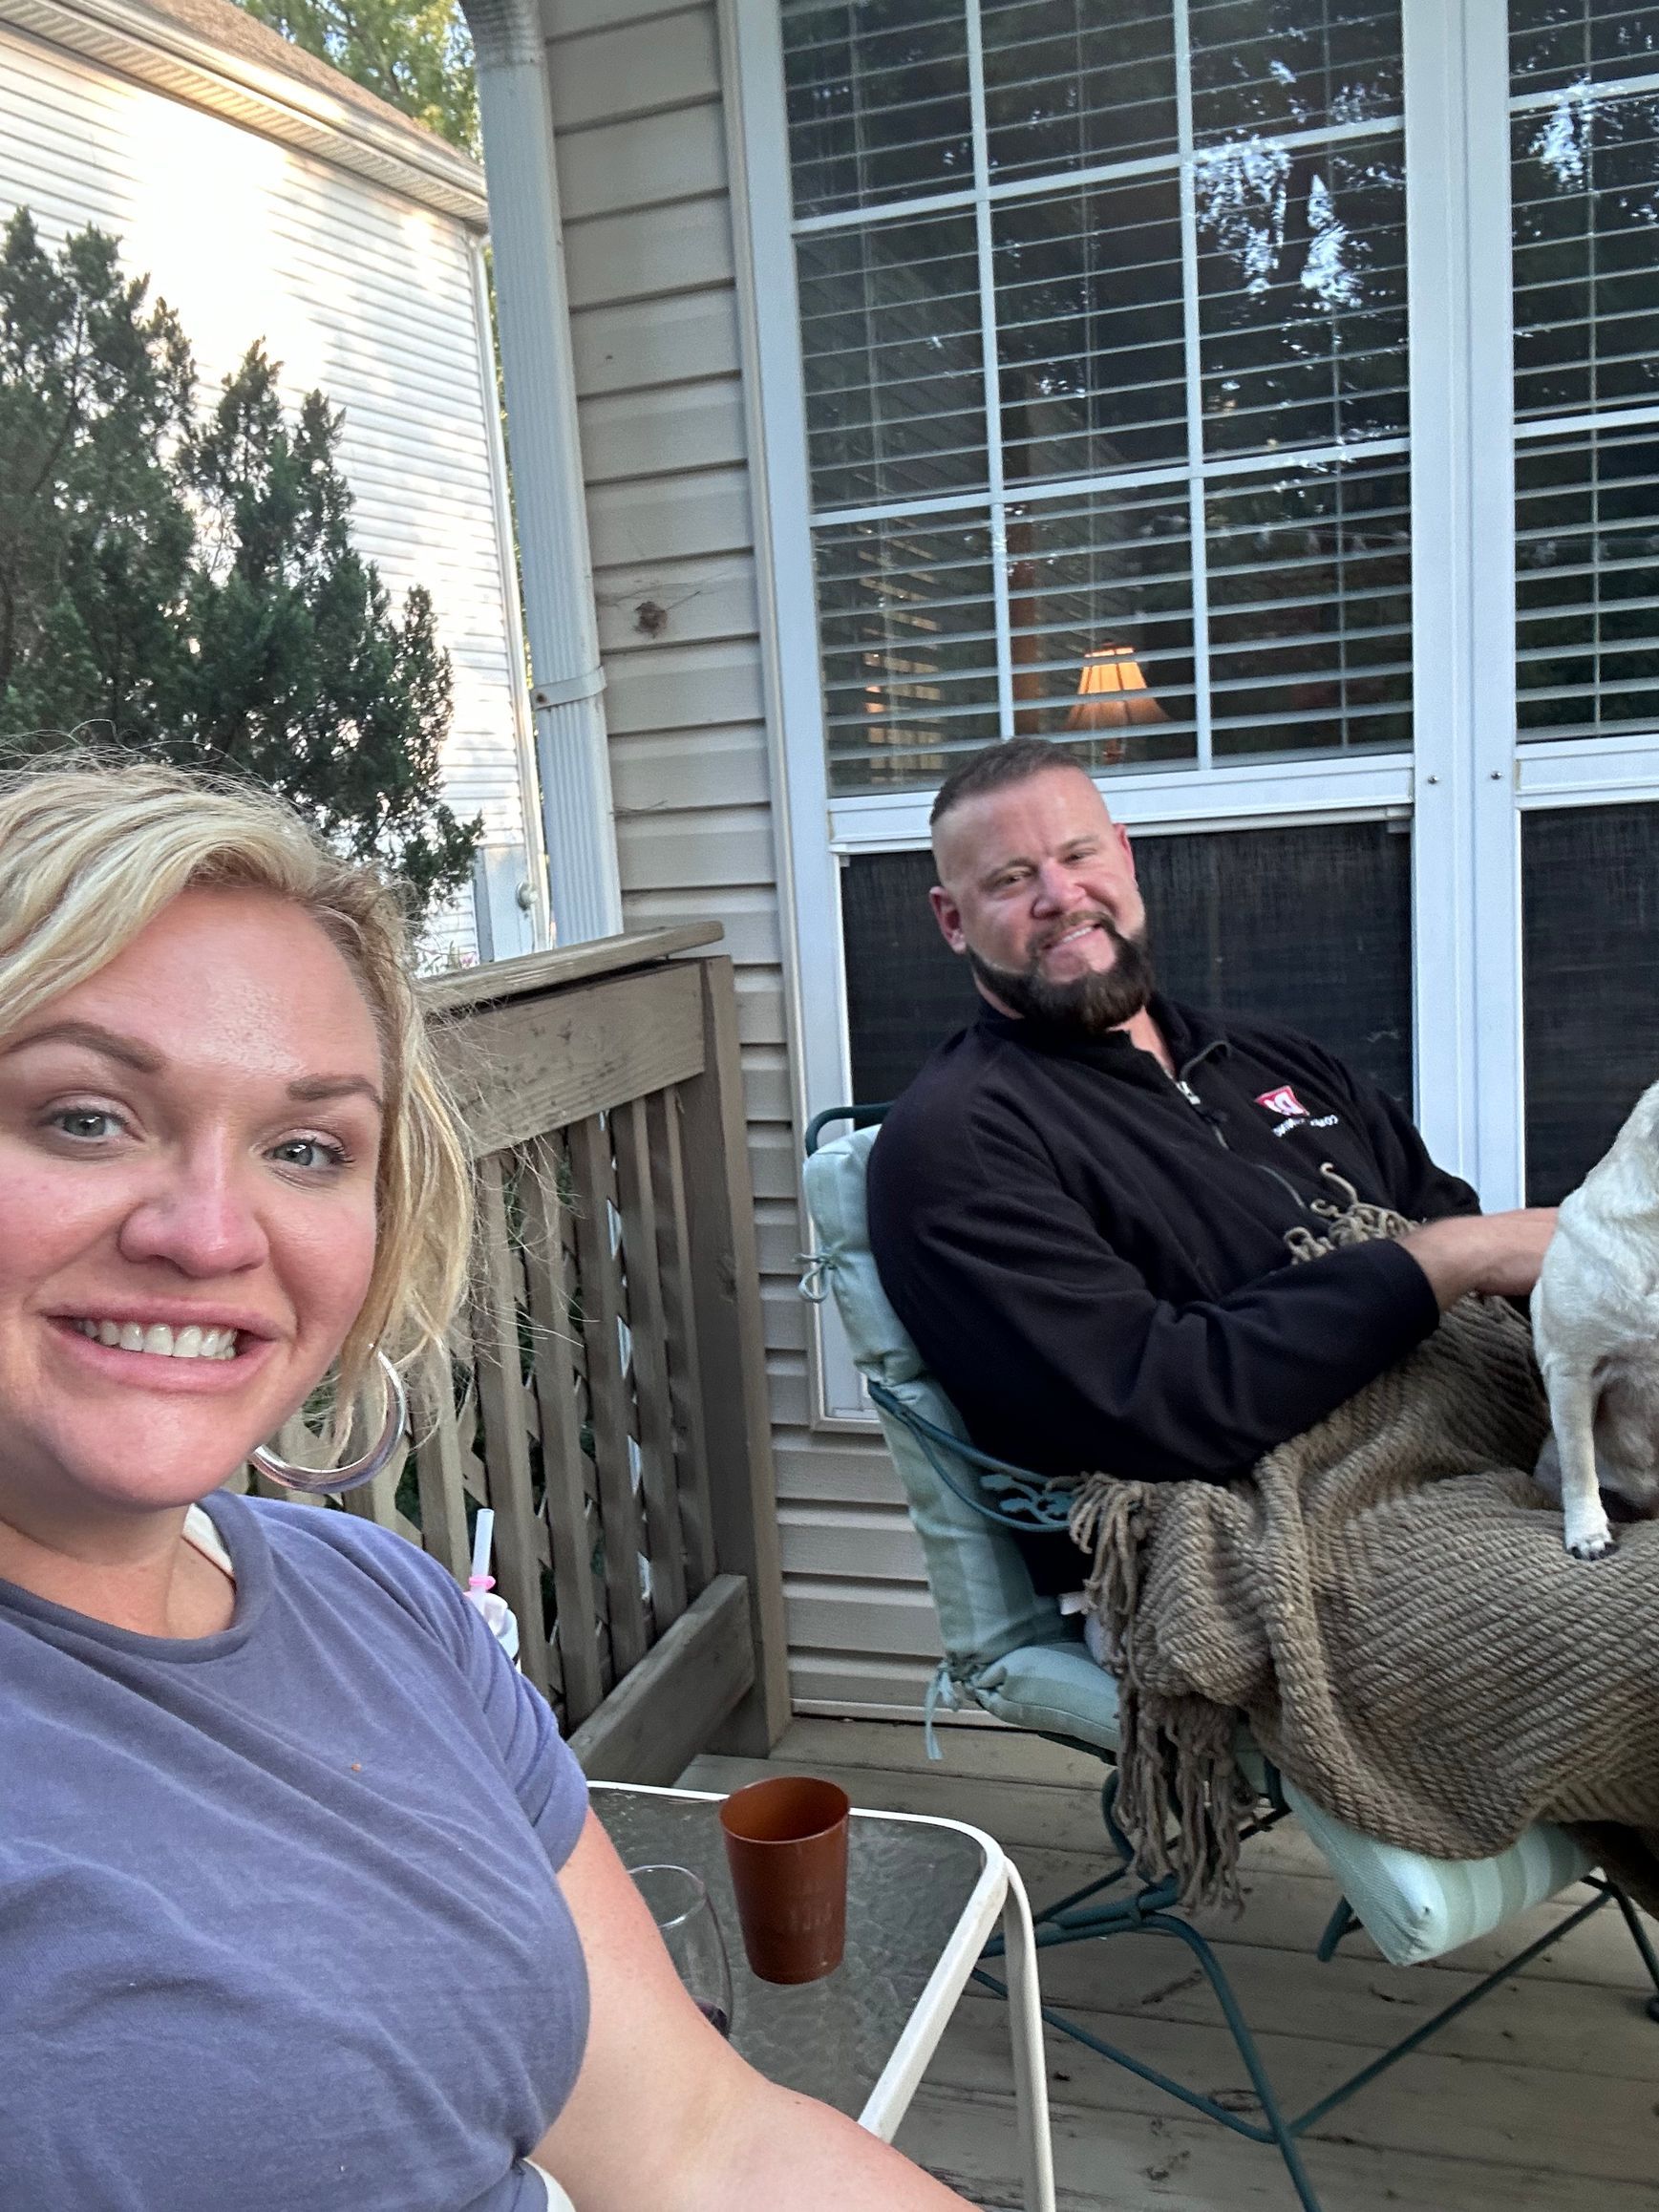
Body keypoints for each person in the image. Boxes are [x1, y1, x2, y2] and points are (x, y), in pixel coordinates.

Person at [0, 759, 972, 2212]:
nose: (211, 1235)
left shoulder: (382, 1602)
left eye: (306, 1147)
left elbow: (696, 2141)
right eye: (85, 1116)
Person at [866, 738, 1557, 1596]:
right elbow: (1153, 1407)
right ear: (950, 920)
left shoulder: (1271, 1058)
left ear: (1122, 854)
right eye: (1009, 879)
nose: (1059, 896)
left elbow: (1458, 1235)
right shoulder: (957, 1143)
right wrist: (1443, 1261)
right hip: (1235, 1550)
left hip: (1470, 1460)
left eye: (1078, 854)